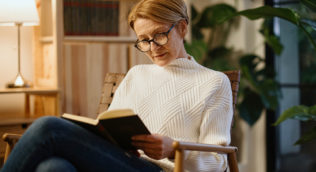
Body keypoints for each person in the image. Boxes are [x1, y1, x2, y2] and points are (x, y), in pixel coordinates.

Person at [1, 0, 233, 171]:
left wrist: (173, 149)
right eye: (144, 40)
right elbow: (109, 128)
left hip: (161, 170)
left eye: (160, 35)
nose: (152, 47)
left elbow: (218, 160)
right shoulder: (136, 75)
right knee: (53, 168)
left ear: (182, 27)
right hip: (121, 161)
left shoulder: (214, 82)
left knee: (47, 128)